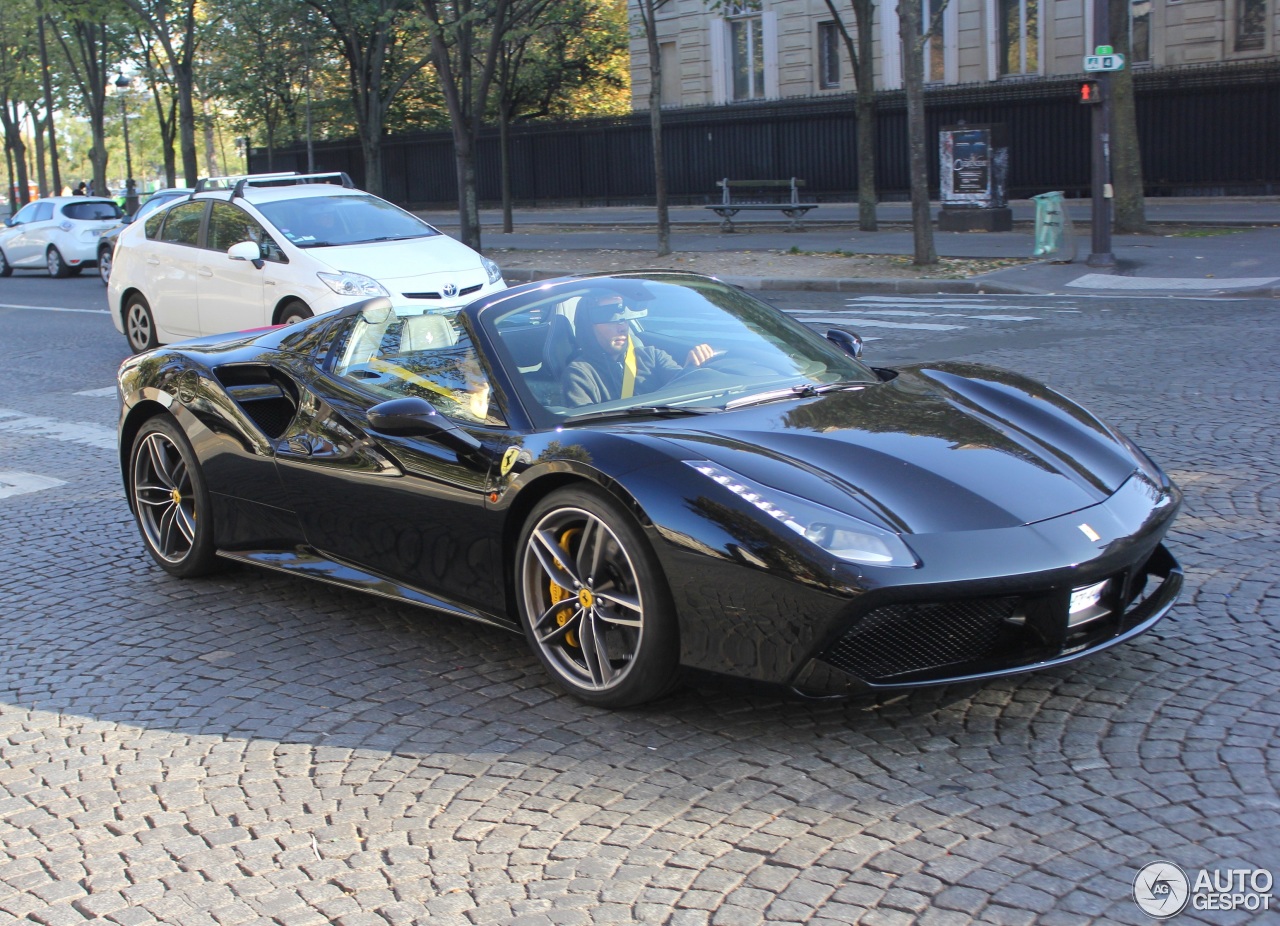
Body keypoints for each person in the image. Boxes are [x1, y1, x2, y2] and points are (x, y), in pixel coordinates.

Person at [562, 291, 715, 407]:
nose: (622, 326)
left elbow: (685, 391)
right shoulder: (579, 373)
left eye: (624, 317)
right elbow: (587, 429)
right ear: (588, 326)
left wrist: (692, 368)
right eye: (609, 316)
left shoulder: (652, 356)